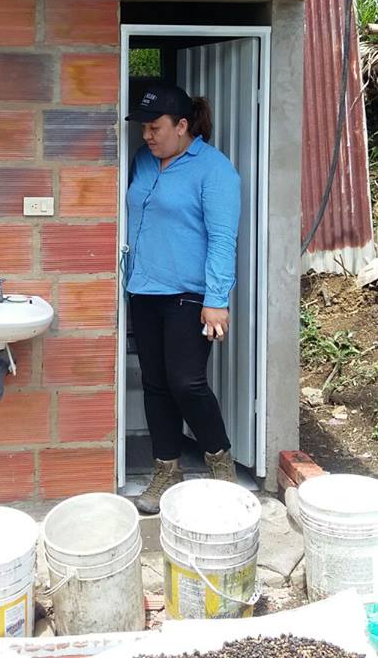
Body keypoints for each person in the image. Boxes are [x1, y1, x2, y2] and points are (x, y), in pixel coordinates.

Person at [125, 83, 241, 514]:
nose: (147, 136)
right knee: (155, 385)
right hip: (143, 290)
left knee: (186, 383)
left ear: (182, 125)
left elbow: (222, 239)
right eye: (143, 128)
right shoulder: (143, 161)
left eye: (155, 128)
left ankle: (221, 464)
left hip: (190, 295)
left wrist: (217, 299)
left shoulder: (215, 170)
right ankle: (166, 471)